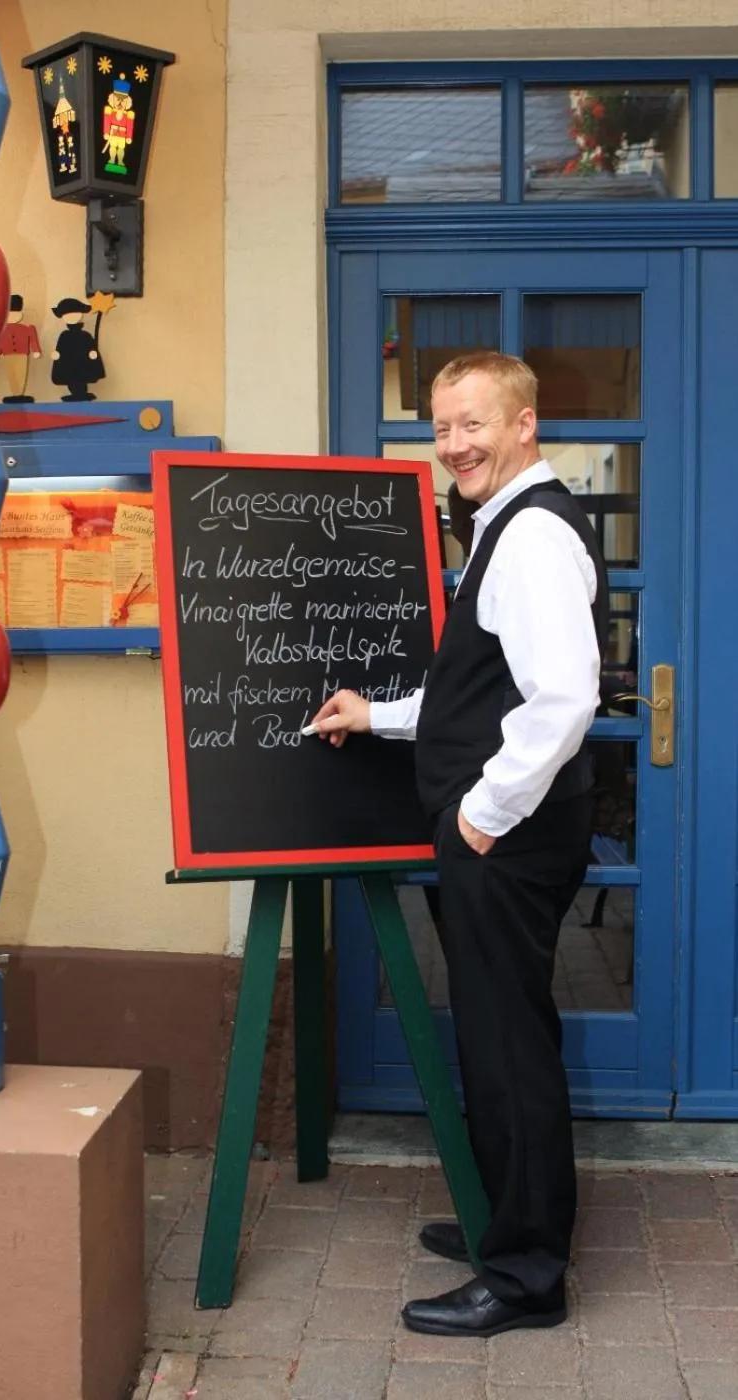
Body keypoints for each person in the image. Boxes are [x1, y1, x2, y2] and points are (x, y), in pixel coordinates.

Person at [310, 351, 608, 1338]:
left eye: (472, 424)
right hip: (503, 834)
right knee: (494, 1037)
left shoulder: (531, 536)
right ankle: (503, 1222)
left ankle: (525, 1277)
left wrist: (481, 811)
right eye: (440, 428)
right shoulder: (501, 527)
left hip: (506, 839)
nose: (453, 445)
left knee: (509, 1048)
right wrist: (379, 714)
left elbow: (563, 697)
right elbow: (475, 689)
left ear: (524, 424)